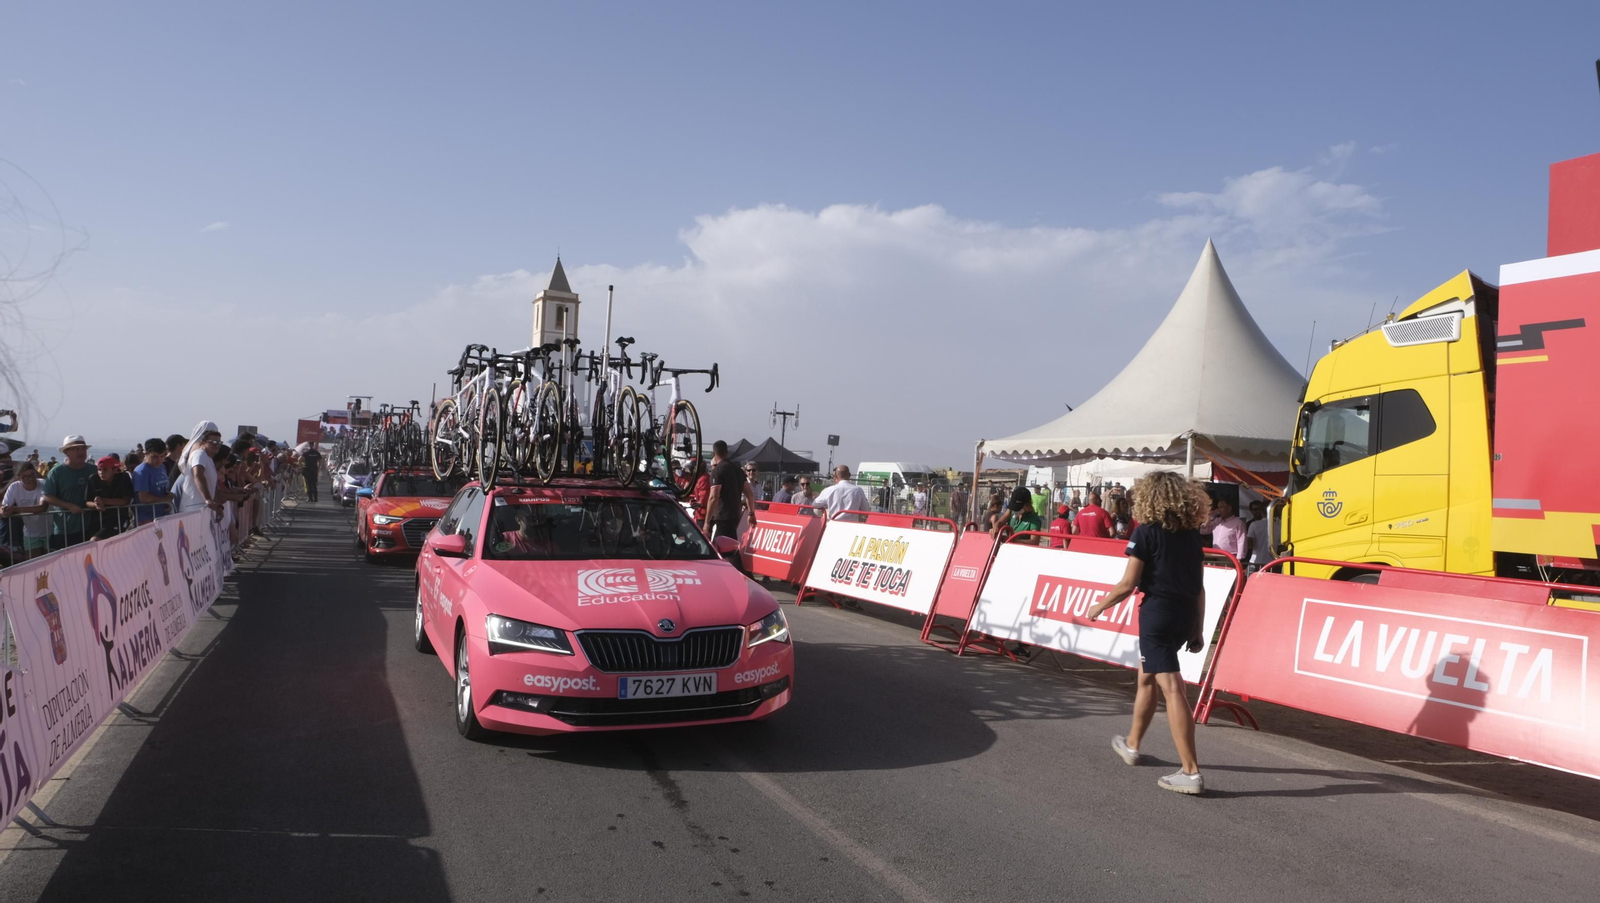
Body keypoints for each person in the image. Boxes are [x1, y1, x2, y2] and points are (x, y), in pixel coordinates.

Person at [1086, 470, 1213, 795]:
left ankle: (1191, 771)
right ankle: (1131, 744)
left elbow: (1128, 584)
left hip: (1157, 614)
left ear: (1149, 498)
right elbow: (1199, 589)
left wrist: (1099, 606)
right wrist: (1198, 629)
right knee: (1146, 676)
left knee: (1172, 689)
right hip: (1183, 616)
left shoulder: (1146, 533)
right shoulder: (1189, 535)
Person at [41, 436, 95, 548]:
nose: (81, 452)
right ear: (66, 452)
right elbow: (47, 496)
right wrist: (69, 506)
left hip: (91, 526)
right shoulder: (57, 472)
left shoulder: (94, 470)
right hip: (65, 528)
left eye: (83, 449)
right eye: (76, 449)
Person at [704, 440, 758, 540]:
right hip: (735, 515)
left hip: (723, 516)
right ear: (727, 453)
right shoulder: (738, 470)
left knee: (723, 548)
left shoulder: (717, 471)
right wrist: (751, 514)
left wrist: (707, 522)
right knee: (727, 545)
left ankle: (735, 556)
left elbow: (713, 497)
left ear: (714, 454)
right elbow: (750, 495)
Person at [177, 422, 226, 520]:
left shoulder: (208, 458)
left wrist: (217, 505)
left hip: (201, 509)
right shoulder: (200, 454)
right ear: (203, 442)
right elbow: (198, 474)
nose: (216, 445)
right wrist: (208, 499)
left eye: (219, 443)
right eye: (212, 442)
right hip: (193, 510)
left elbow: (210, 485)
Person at [1, 461, 49, 560]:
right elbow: (4, 507)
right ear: (18, 477)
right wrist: (4, 510)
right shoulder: (14, 487)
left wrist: (15, 509)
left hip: (50, 532)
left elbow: (42, 507)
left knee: (50, 564)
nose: (30, 478)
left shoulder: (43, 483)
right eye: (25, 476)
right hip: (30, 533)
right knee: (33, 565)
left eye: (32, 474)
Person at [87, 454, 135, 539]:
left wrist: (103, 501)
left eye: (105, 469)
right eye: (99, 470)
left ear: (115, 470)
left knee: (95, 540)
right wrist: (96, 504)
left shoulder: (123, 478)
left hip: (118, 519)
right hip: (97, 520)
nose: (101, 473)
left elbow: (126, 500)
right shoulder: (93, 479)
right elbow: (87, 501)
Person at [133, 437, 175, 523]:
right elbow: (144, 498)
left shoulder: (162, 467)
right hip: (147, 519)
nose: (159, 460)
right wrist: (164, 499)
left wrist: (169, 496)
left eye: (162, 456)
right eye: (155, 457)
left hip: (163, 515)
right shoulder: (141, 471)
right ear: (146, 453)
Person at [1207, 496, 1247, 562]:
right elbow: (1203, 531)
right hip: (1215, 555)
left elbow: (1241, 541)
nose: (1218, 510)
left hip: (1230, 557)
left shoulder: (1238, 522)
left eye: (1221, 507)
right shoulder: (1216, 521)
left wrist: (1239, 559)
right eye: (1218, 507)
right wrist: (1211, 517)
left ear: (1229, 508)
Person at [1245, 500, 1275, 573]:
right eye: (1255, 509)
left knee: (1252, 584)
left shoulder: (1254, 525)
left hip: (1256, 562)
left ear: (1261, 511)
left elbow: (1249, 545)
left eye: (1258, 509)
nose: (1257, 512)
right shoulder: (1279, 526)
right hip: (1272, 563)